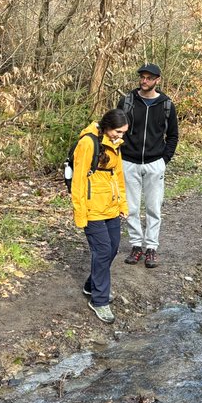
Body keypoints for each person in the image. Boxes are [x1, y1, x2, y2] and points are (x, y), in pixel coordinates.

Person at [71, 108, 129, 324]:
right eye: (117, 131)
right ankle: (99, 301)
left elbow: (118, 176)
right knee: (103, 250)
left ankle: (91, 285)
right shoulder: (88, 143)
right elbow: (78, 181)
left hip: (111, 207)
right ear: (107, 126)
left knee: (113, 248)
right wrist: (80, 213)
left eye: (123, 133)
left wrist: (123, 203)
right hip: (92, 208)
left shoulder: (116, 145)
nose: (120, 136)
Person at [118, 63, 179, 269]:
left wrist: (164, 160)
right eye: (142, 77)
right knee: (131, 208)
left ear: (157, 80)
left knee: (154, 208)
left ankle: (151, 248)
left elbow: (173, 136)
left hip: (155, 164)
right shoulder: (127, 101)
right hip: (128, 162)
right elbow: (116, 129)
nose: (144, 81)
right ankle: (136, 246)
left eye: (149, 78)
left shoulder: (166, 105)